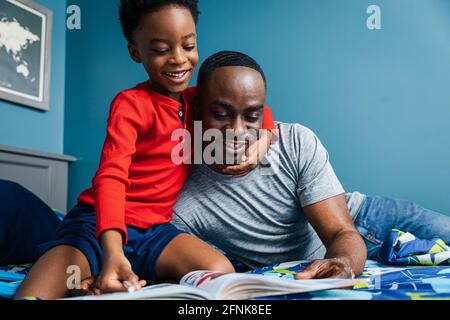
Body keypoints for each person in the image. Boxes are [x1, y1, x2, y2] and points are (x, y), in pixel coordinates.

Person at [15, 1, 276, 300]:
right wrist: (112, 251)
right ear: (136, 52)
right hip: (97, 224)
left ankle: (109, 278)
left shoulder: (201, 102)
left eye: (188, 45)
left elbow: (257, 108)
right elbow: (110, 178)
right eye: (162, 50)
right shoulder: (130, 104)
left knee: (221, 271)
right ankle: (98, 271)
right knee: (37, 291)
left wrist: (263, 140)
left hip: (155, 230)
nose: (179, 59)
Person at [171, 51, 450, 279]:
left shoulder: (295, 141)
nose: (238, 130)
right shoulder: (182, 198)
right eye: (221, 114)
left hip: (364, 219)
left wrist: (343, 264)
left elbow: (342, 231)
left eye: (252, 116)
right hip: (314, 261)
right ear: (197, 111)